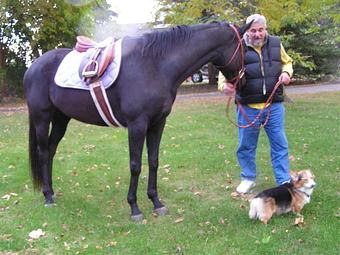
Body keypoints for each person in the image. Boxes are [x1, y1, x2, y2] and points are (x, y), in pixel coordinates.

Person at [218, 14, 293, 194]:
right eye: (253, 31)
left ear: (265, 29)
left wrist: (287, 74)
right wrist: (224, 86)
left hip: (273, 106)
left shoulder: (275, 43)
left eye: (261, 30)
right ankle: (248, 178)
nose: (257, 34)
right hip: (247, 107)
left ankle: (283, 179)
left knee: (279, 144)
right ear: (247, 31)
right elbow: (224, 73)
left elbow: (287, 62)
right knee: (246, 146)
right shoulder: (238, 47)